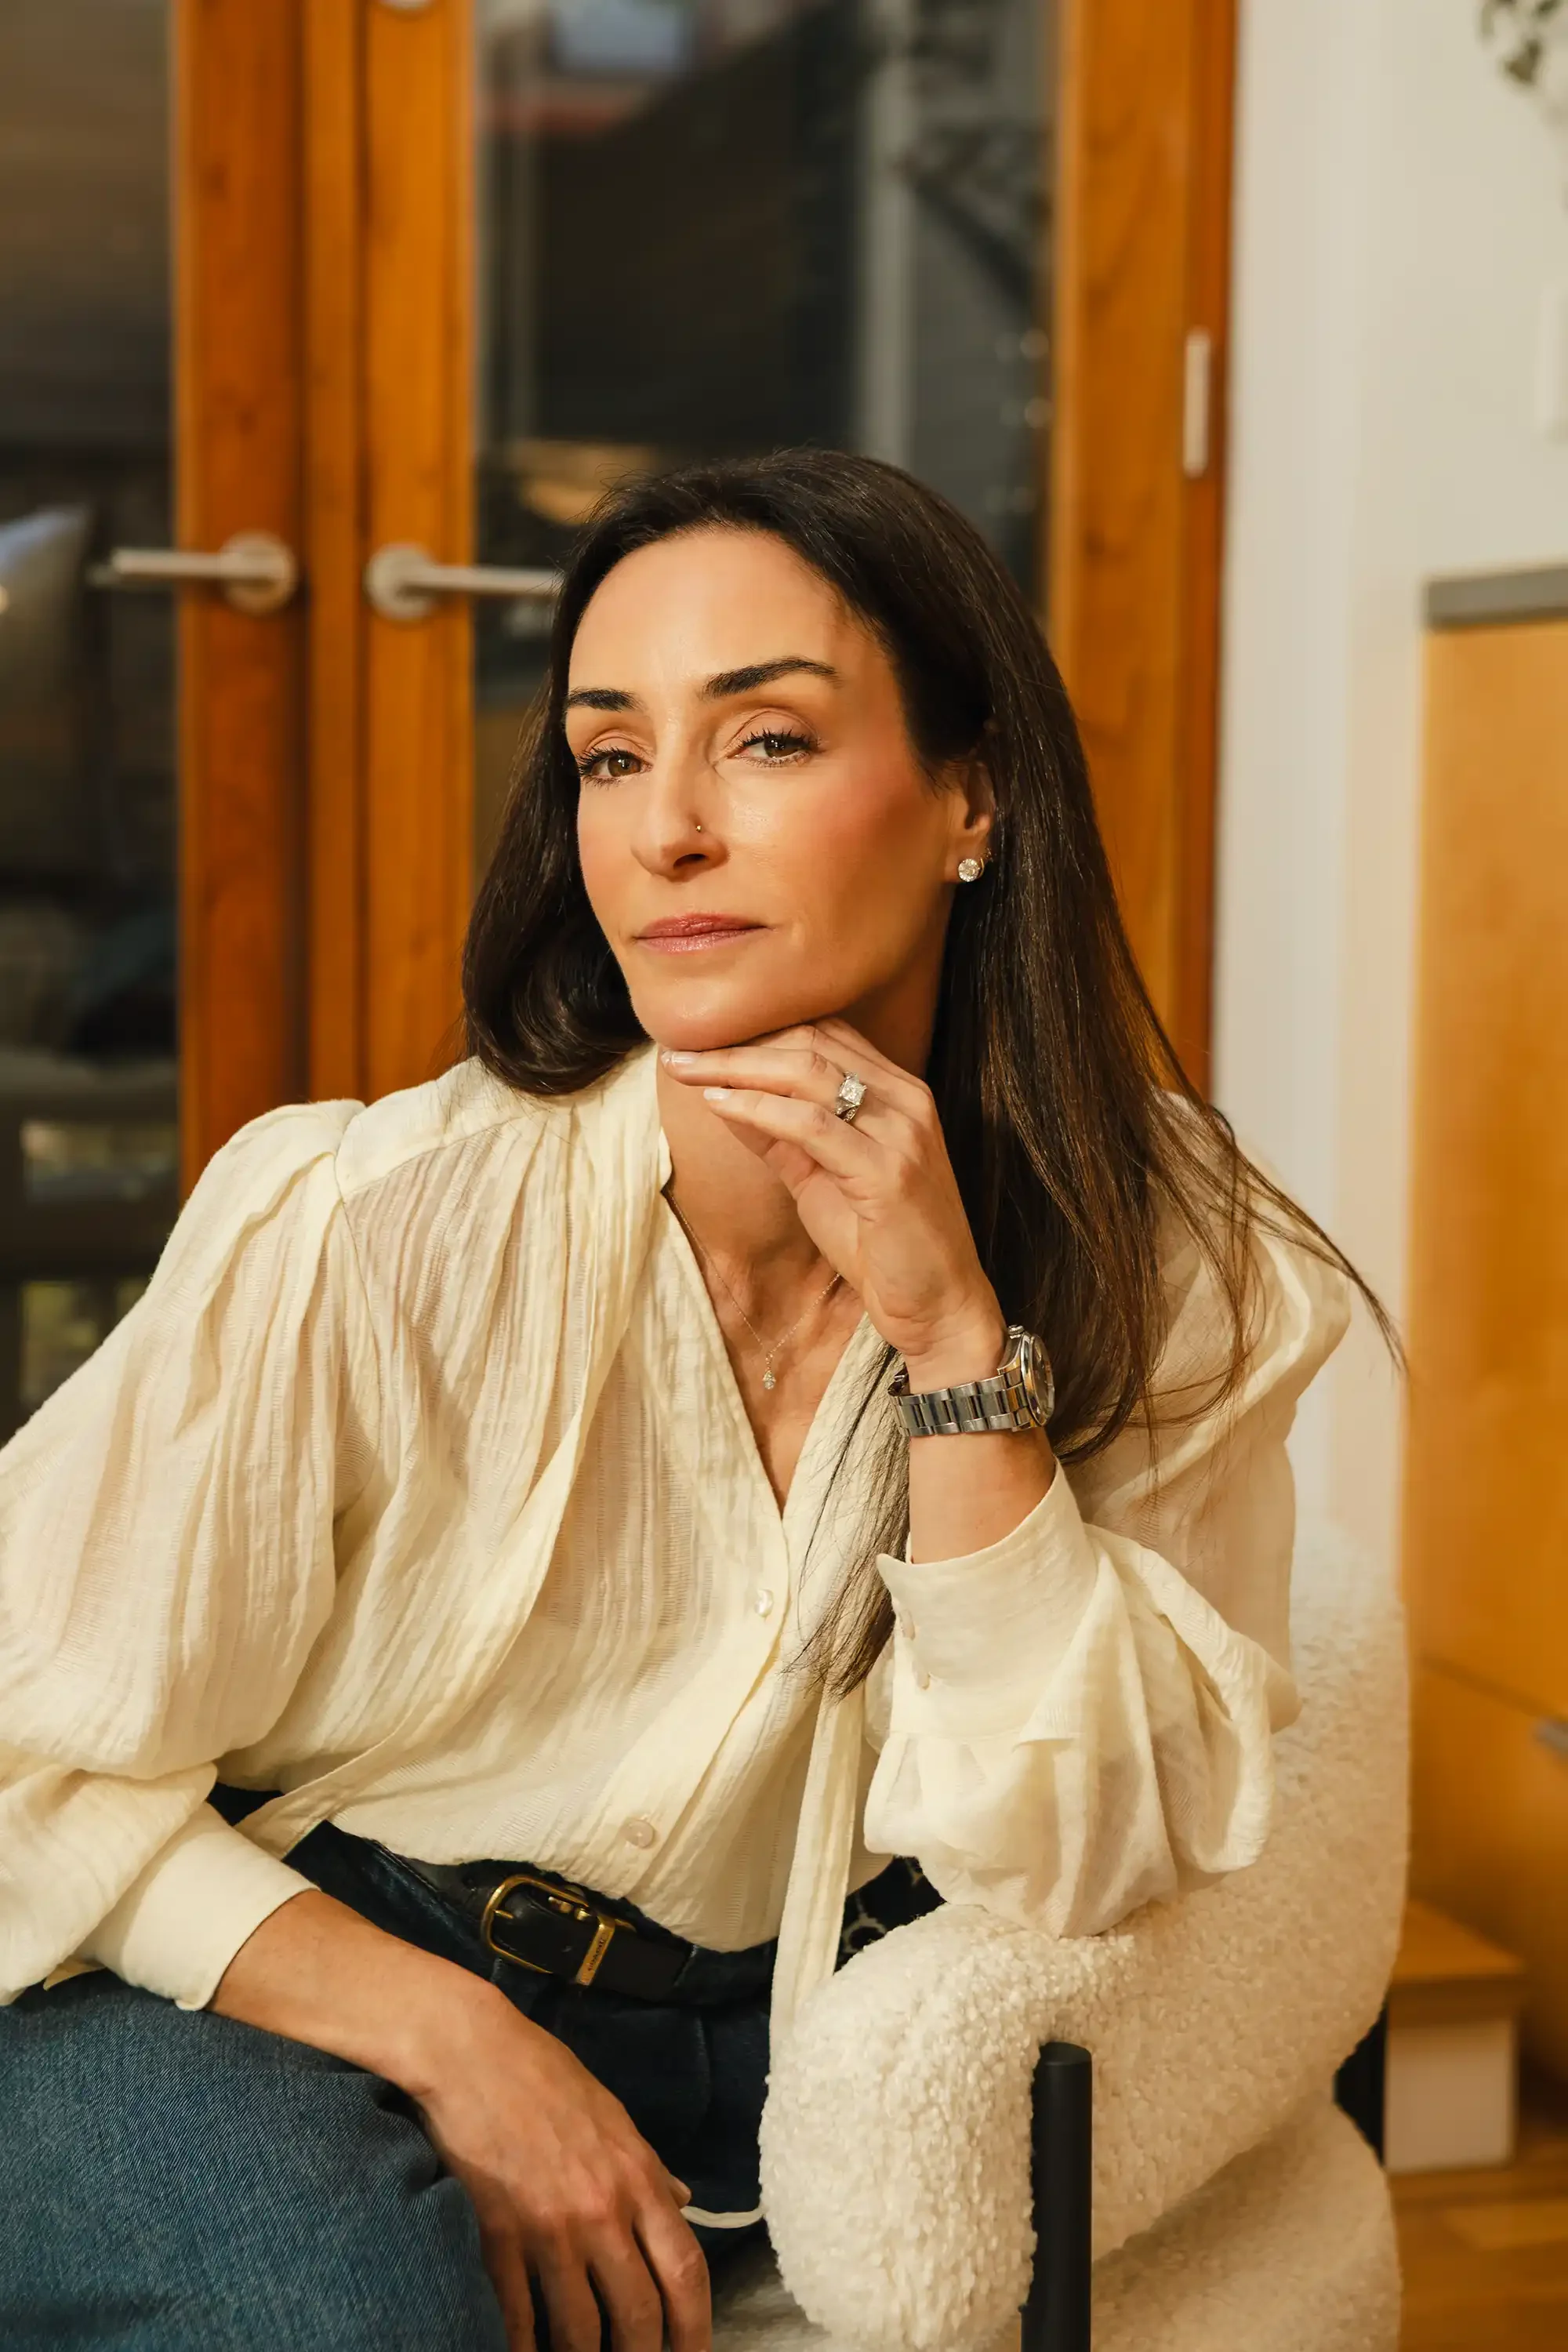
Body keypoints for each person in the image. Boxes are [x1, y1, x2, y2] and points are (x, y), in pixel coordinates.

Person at [0, 449, 1394, 2352]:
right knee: (351, 2314)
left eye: (764, 741)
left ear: (971, 797)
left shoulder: (1175, 1264)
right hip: (230, 1967)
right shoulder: (367, 1221)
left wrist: (953, 1341)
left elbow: (1075, 1856)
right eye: (607, 756)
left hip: (759, 2057)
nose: (664, 832)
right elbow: (25, 1758)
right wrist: (457, 2040)